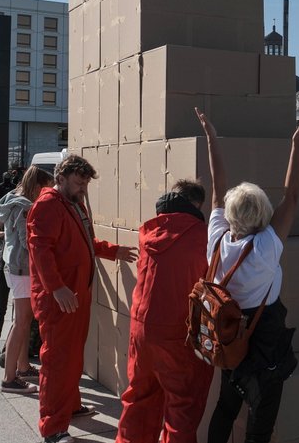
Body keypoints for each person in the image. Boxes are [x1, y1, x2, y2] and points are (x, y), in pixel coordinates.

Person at [200, 108, 299, 443]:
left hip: (228, 332)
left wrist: (213, 139)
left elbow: (216, 188)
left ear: (229, 213)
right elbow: (292, 196)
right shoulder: (266, 247)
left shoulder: (217, 239)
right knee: (260, 420)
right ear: (264, 214)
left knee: (225, 408)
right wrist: (297, 144)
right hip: (264, 337)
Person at [27, 155, 138, 443]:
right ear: (60, 178)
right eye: (78, 183)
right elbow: (39, 248)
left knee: (72, 356)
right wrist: (56, 287)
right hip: (60, 298)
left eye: (85, 183)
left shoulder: (72, 203)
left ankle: (70, 407)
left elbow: (86, 242)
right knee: (58, 361)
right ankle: (52, 428)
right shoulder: (49, 204)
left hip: (74, 295)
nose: (83, 188)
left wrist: (114, 251)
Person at [116, 180, 212, 443]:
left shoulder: (147, 230)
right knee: (182, 407)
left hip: (141, 327)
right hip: (175, 332)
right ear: (196, 204)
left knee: (138, 399)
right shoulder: (201, 234)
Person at [0, 166, 54, 395]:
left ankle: (22, 368)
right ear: (37, 186)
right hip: (22, 267)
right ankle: (10, 378)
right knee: (22, 322)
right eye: (47, 188)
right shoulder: (26, 207)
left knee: (21, 319)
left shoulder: (12, 200)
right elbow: (30, 242)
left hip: (11, 264)